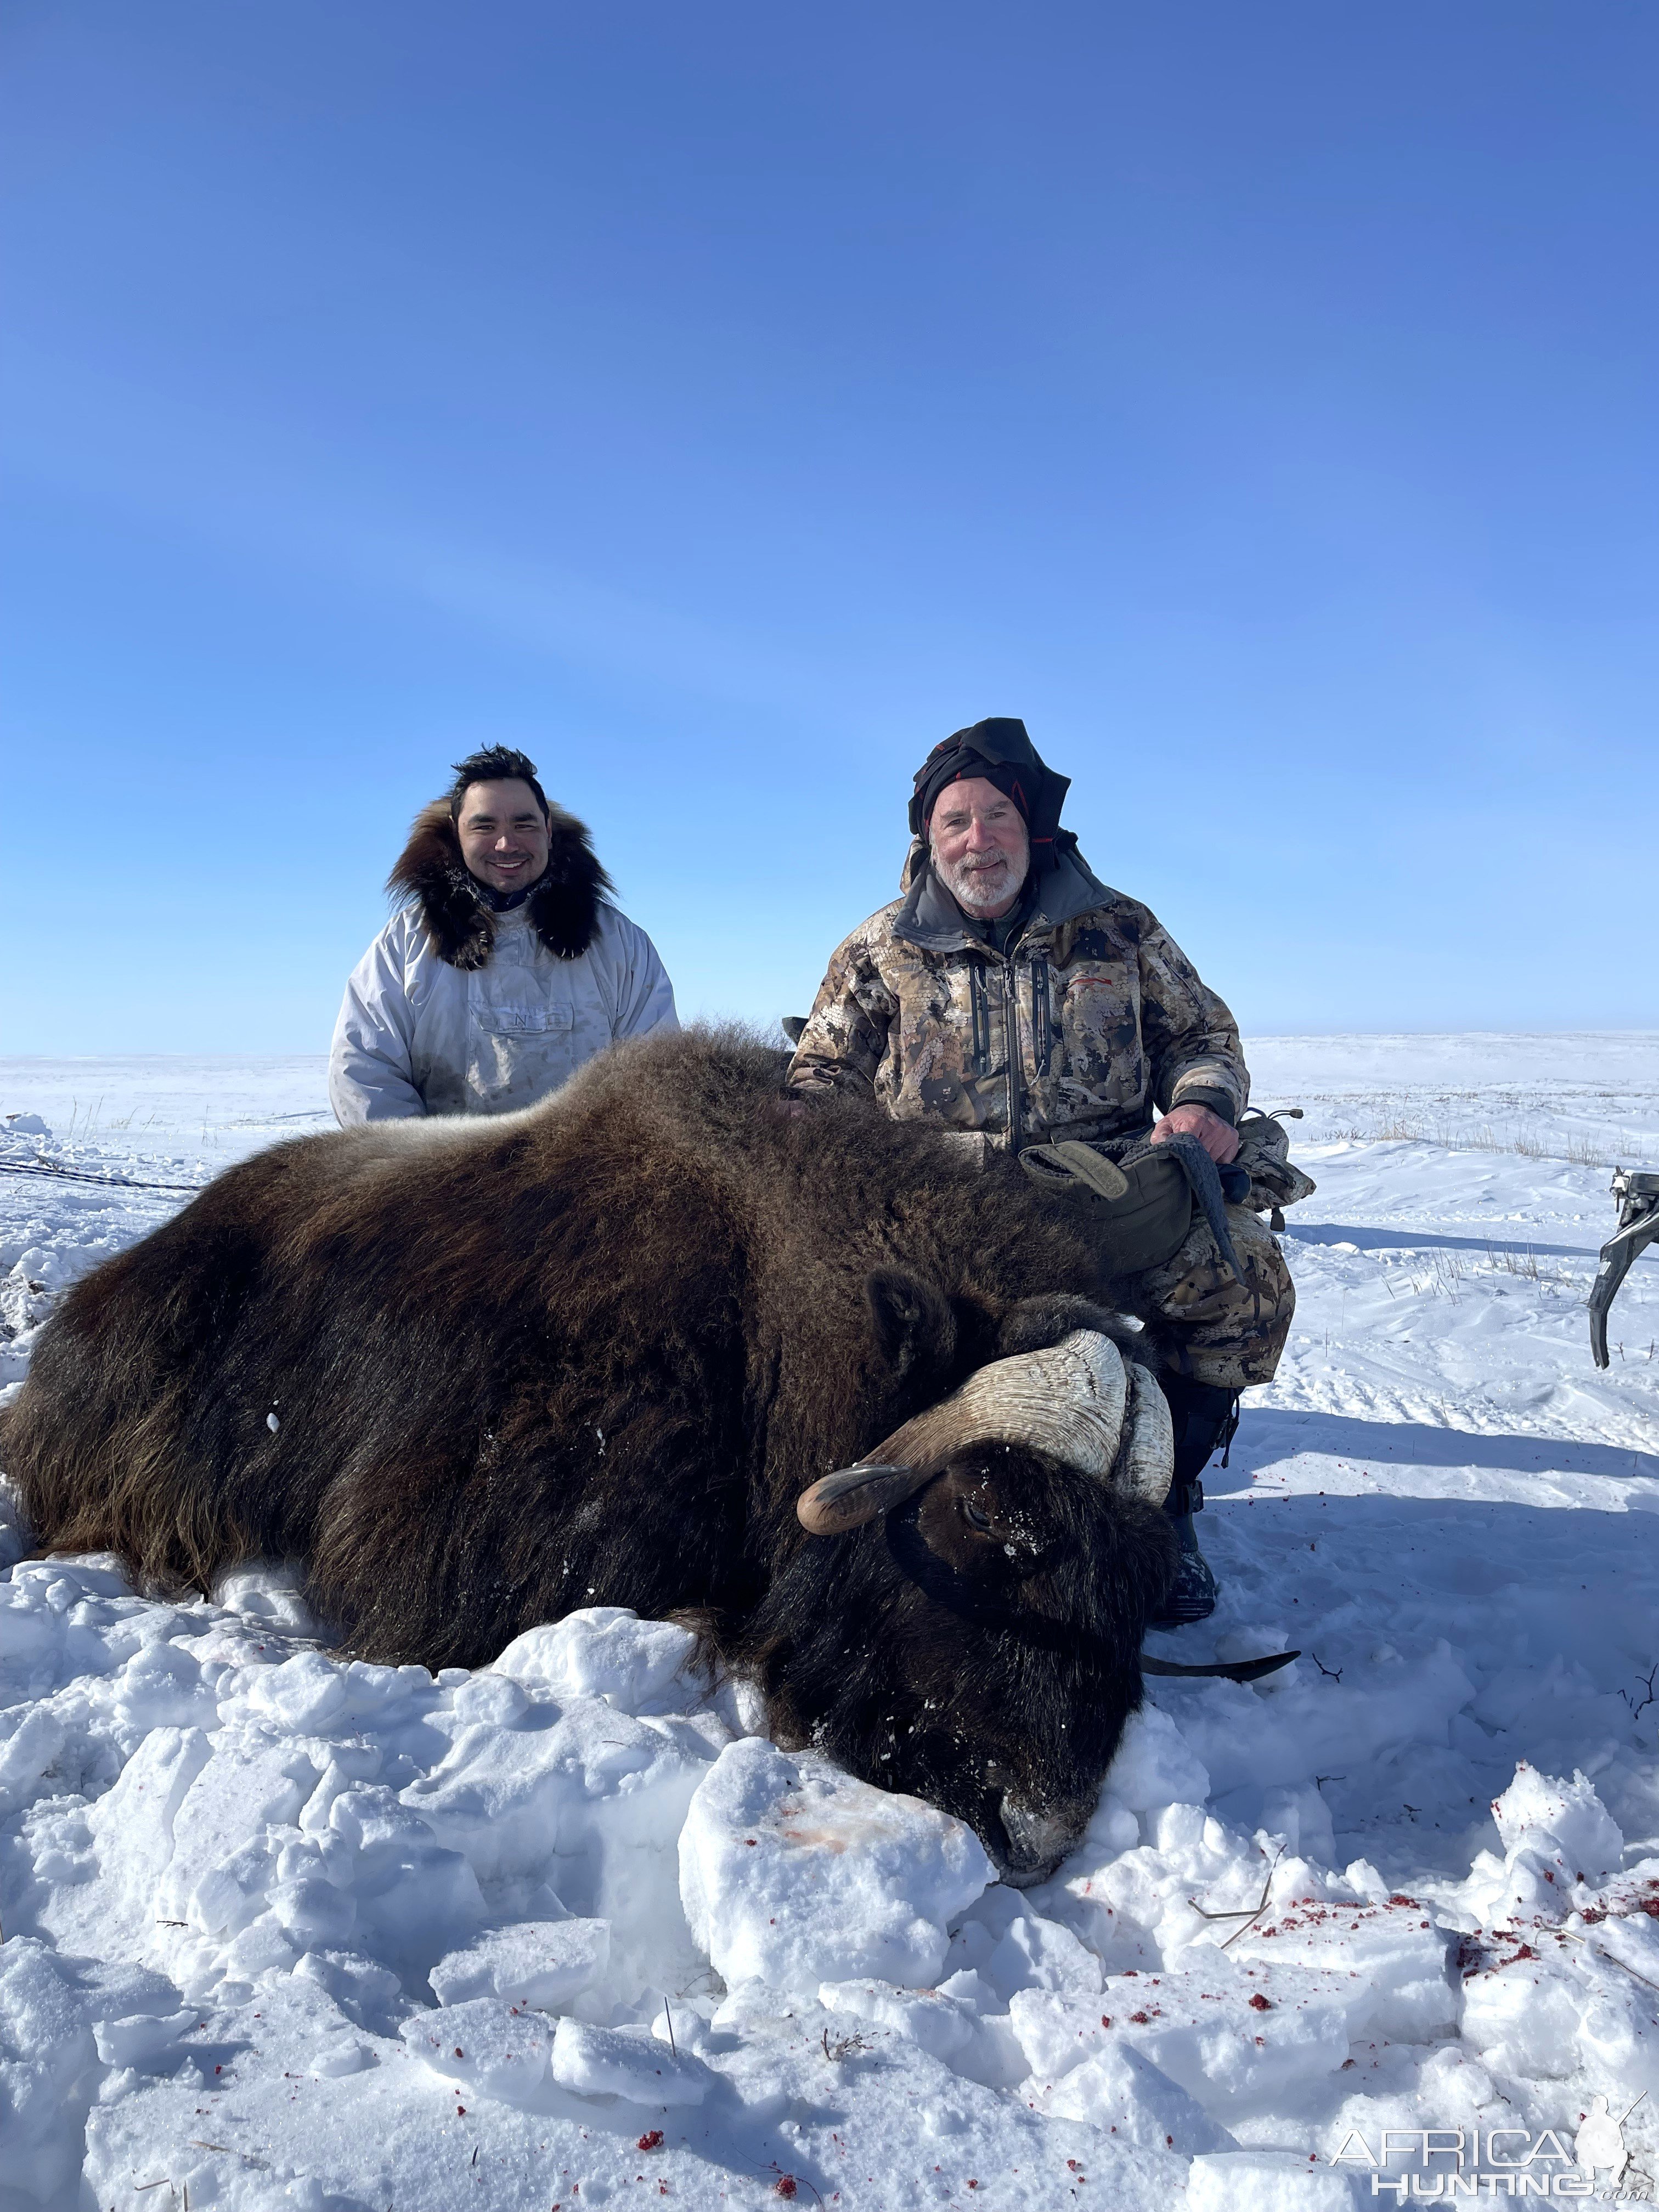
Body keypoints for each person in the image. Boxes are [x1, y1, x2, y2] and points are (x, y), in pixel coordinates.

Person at [786, 717, 1312, 1626]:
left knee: (1246, 1289)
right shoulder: (877, 949)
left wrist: (1200, 1104)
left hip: (1101, 1191)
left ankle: (1161, 1498)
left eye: (995, 816)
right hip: (942, 1208)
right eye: (954, 821)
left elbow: (1200, 1037)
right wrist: (810, 1142)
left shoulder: (1119, 929)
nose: (976, 839)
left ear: (1031, 827)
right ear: (926, 837)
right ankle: (907, 1503)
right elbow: (822, 1074)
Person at [330, 746, 677, 1124]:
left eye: (524, 825)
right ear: (455, 833)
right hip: (440, 1175)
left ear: (548, 831)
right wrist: (419, 1172)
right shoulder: (406, 945)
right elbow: (365, 1070)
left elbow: (656, 1074)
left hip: (587, 1175)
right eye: (485, 826)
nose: (506, 844)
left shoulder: (618, 945)